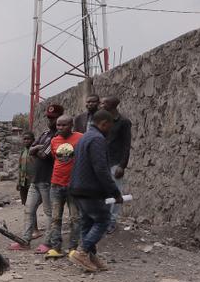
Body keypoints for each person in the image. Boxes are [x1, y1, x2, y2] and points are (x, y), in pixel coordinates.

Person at [68, 109, 124, 272]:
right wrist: (114, 192)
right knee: (103, 220)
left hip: (78, 188)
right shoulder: (97, 139)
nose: (110, 130)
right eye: (109, 126)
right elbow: (101, 169)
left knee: (87, 223)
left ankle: (91, 257)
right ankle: (83, 252)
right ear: (104, 124)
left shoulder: (84, 137)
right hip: (90, 189)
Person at [9, 104, 62, 252]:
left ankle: (48, 242)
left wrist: (37, 149)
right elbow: (32, 150)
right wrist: (37, 148)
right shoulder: (45, 134)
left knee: (49, 213)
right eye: (49, 118)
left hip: (48, 180)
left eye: (53, 118)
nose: (50, 121)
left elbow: (44, 155)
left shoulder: (58, 136)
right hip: (36, 180)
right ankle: (25, 241)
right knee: (29, 210)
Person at [44, 115, 83, 258]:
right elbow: (56, 158)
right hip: (56, 184)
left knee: (75, 218)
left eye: (63, 125)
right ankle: (56, 248)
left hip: (73, 185)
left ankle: (73, 247)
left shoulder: (80, 138)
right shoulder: (54, 140)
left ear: (71, 125)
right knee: (55, 217)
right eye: (58, 125)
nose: (60, 128)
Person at [101, 96, 132, 233]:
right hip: (102, 162)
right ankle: (102, 220)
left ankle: (111, 221)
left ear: (112, 105)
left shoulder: (124, 122)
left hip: (115, 162)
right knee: (102, 192)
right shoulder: (103, 121)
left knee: (115, 192)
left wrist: (122, 165)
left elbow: (127, 145)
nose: (101, 105)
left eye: (104, 102)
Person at [17, 131, 35, 205]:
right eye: (24, 139)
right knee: (25, 203)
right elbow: (20, 167)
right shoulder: (23, 152)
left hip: (32, 182)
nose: (26, 141)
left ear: (33, 140)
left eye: (28, 139)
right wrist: (19, 182)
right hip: (23, 182)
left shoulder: (35, 151)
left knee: (32, 204)